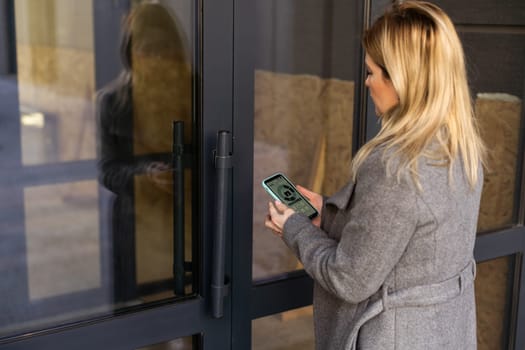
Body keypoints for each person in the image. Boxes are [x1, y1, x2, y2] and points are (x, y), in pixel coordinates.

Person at [265, 1, 485, 349]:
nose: (366, 82)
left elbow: (349, 278)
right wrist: (327, 215)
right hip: (445, 331)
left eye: (371, 72)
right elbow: (404, 241)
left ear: (402, 80)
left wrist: (293, 228)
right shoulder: (459, 147)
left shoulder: (397, 167)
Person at [96, 1, 192, 302]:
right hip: (135, 221)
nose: (154, 60)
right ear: (129, 52)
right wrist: (144, 176)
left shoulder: (195, 92)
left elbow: (215, 154)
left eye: (162, 50)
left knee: (185, 306)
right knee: (136, 312)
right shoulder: (112, 101)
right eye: (145, 50)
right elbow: (107, 169)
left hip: (183, 216)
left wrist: (183, 171)